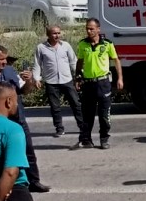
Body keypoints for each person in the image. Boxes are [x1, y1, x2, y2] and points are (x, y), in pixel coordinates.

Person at [0, 46, 48, 192]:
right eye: (1, 59)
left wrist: (29, 81)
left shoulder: (10, 71)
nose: (5, 62)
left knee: (27, 150)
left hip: (17, 119)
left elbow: (23, 90)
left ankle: (33, 181)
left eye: (6, 58)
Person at [73, 18, 123, 151]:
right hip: (88, 84)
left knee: (104, 114)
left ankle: (104, 138)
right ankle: (87, 139)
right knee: (87, 113)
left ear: (98, 29)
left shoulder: (107, 44)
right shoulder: (83, 44)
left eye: (92, 29)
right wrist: (77, 77)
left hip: (103, 83)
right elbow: (80, 61)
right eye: (87, 29)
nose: (89, 31)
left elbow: (116, 60)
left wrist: (120, 79)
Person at [33, 25, 82, 139]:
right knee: (55, 107)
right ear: (48, 35)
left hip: (67, 80)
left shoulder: (66, 46)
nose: (57, 35)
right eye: (54, 33)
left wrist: (78, 76)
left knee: (76, 104)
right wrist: (37, 78)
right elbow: (37, 64)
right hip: (51, 81)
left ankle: (82, 126)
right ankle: (59, 128)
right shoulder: (41, 47)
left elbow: (73, 61)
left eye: (59, 33)